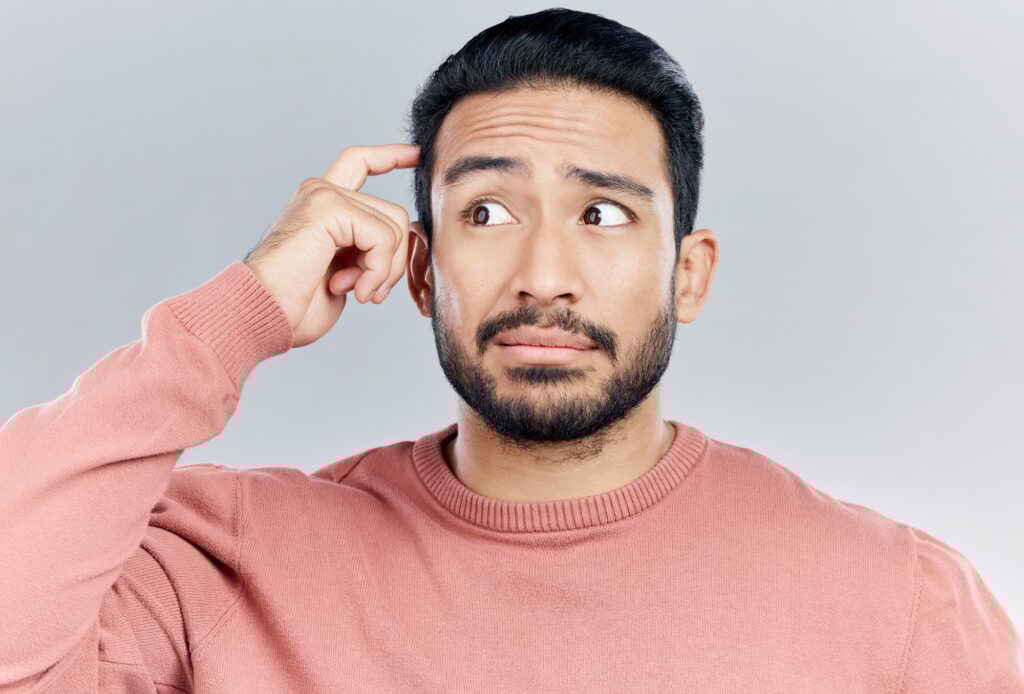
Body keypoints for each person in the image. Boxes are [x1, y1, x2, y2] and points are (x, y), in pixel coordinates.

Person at [1, 7, 1020, 693]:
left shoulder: (898, 602)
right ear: (416, 269)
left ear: (690, 273)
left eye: (604, 214)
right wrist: (232, 319)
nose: (542, 272)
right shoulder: (224, 562)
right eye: (484, 210)